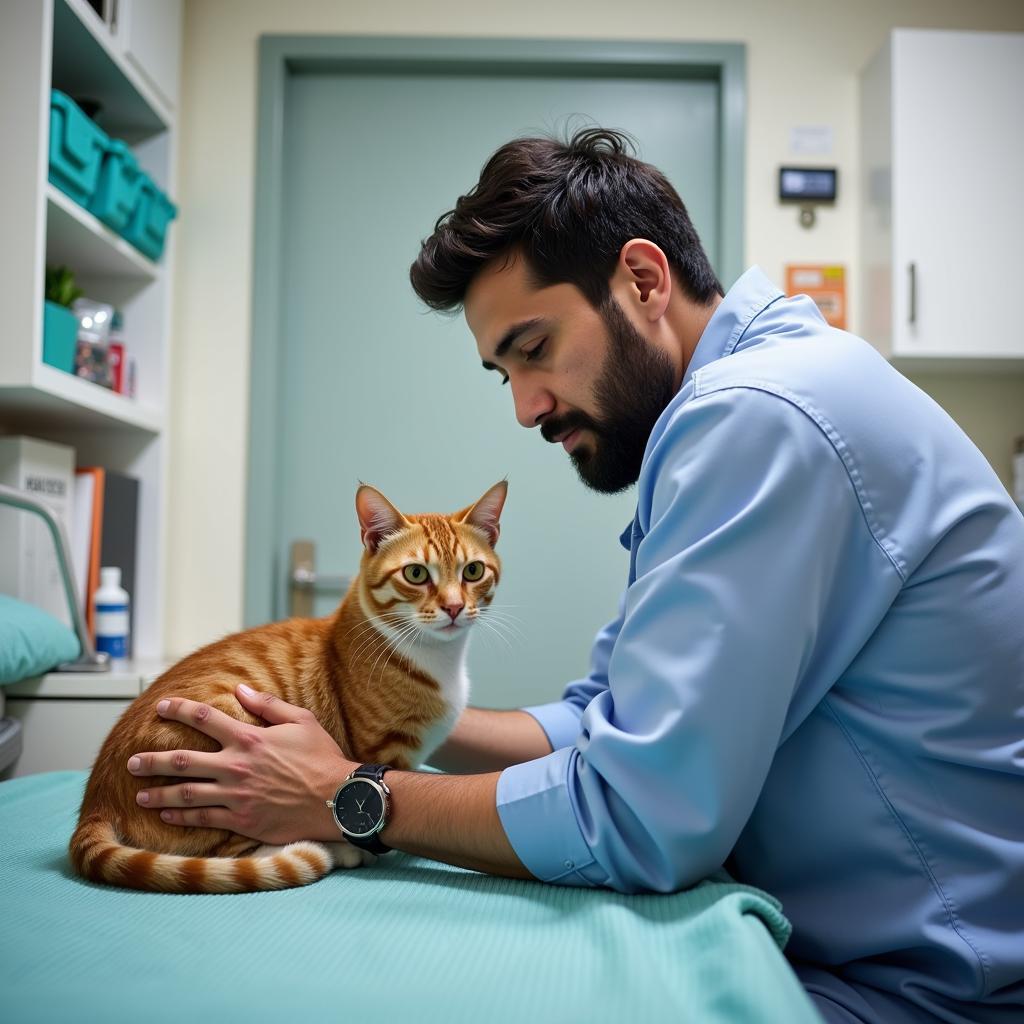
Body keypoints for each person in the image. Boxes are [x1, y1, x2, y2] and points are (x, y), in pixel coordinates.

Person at [129, 129, 1024, 1023]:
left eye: (535, 347)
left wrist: (350, 797)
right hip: (859, 953)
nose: (526, 407)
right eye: (503, 372)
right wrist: (384, 710)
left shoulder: (758, 418)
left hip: (930, 993)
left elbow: (643, 818)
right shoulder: (746, 402)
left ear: (642, 280)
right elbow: (601, 720)